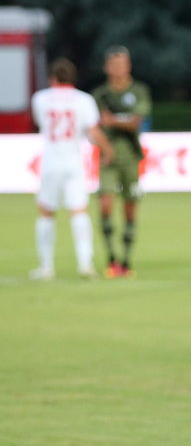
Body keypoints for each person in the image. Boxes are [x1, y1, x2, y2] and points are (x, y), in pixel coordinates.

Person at [30, 58, 113, 280]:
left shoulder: (40, 99)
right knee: (79, 211)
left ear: (52, 78)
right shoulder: (84, 100)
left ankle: (46, 267)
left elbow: (42, 123)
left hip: (50, 161)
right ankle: (85, 264)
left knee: (46, 212)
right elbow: (93, 132)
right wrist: (107, 150)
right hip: (74, 162)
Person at [93, 45, 152, 278]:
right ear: (107, 67)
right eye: (114, 64)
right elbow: (96, 124)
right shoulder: (100, 94)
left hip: (131, 156)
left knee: (130, 207)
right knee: (106, 205)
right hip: (108, 156)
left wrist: (112, 121)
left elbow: (136, 121)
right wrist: (118, 121)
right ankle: (111, 258)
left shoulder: (138, 90)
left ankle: (126, 260)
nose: (118, 69)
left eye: (122, 64)